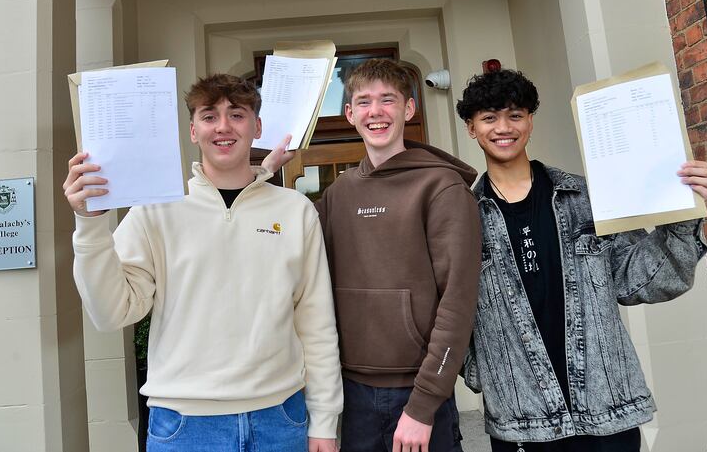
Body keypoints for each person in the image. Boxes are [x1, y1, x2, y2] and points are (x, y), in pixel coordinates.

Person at [62, 74, 343, 452]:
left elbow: (316, 322)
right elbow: (110, 313)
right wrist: (90, 224)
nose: (223, 127)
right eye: (209, 116)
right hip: (184, 427)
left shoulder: (295, 211)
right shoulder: (155, 210)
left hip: (280, 419)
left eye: (237, 115)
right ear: (193, 130)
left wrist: (324, 422)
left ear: (256, 126)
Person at [455, 69, 707, 452]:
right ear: (471, 128)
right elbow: (449, 309)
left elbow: (637, 279)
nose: (503, 127)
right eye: (489, 118)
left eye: (515, 115)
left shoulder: (586, 198)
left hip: (606, 409)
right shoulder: (461, 218)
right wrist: (486, 372)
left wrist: (683, 212)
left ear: (530, 120)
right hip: (523, 422)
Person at [264, 58, 482, 452]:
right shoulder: (339, 193)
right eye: (363, 102)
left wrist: (424, 405)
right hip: (352, 394)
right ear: (349, 113)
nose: (375, 112)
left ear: (408, 109)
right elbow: (276, 240)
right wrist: (264, 175)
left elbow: (458, 302)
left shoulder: (442, 187)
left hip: (417, 394)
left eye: (387, 100)